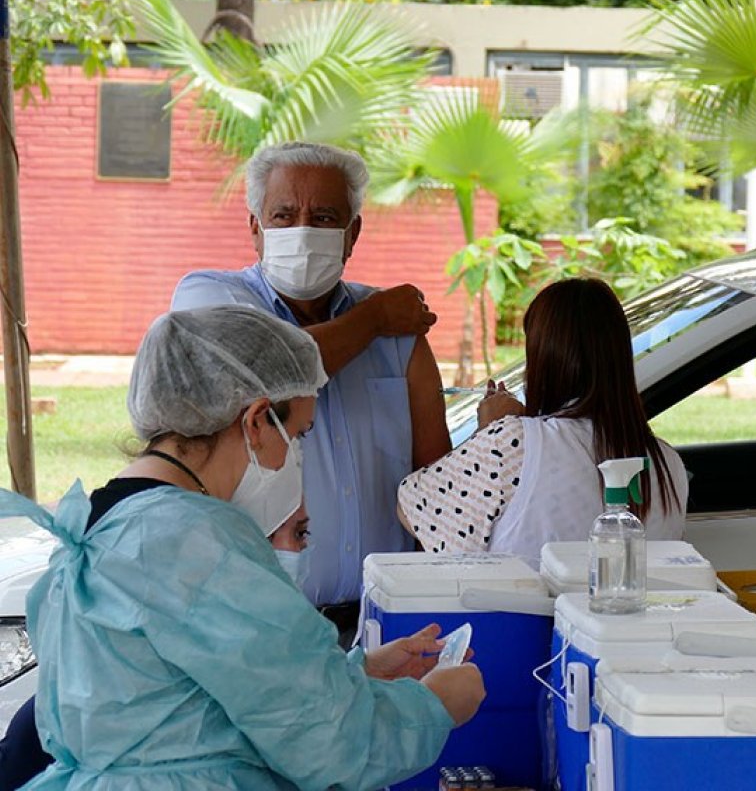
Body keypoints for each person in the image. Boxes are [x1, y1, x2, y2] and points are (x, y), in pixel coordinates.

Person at [0, 305, 484, 789]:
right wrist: (433, 706)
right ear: (255, 421)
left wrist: (355, 673)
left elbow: (190, 695)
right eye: (299, 435)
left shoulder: (100, 521)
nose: (297, 456)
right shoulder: (195, 539)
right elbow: (328, 742)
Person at [171, 141, 449, 635]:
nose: (301, 230)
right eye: (283, 215)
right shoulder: (209, 298)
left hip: (384, 628)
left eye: (323, 217)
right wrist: (376, 318)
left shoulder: (399, 339)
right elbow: (271, 370)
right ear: (255, 228)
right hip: (262, 631)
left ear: (352, 234)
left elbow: (435, 485)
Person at [395, 278, 689, 568]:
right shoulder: (668, 463)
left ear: (543, 360)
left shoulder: (511, 443)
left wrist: (489, 433)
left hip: (524, 616)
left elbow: (412, 509)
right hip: (622, 615)